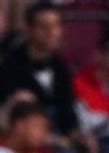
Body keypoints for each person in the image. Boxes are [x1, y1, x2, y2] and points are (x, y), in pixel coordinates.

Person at [0, 1, 77, 138]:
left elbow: (68, 115)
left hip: (60, 138)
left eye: (56, 25)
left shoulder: (61, 68)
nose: (52, 32)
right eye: (44, 26)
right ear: (29, 28)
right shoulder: (9, 66)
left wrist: (77, 134)